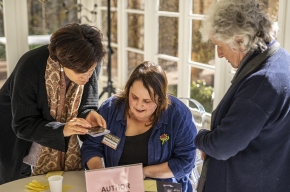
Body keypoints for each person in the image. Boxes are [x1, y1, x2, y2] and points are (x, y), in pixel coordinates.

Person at [194, 0, 290, 191]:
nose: (219, 54)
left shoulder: (262, 83)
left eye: (220, 45)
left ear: (239, 40)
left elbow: (223, 147)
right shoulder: (281, 59)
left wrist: (201, 138)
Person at [0, 23, 107, 184]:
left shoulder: (90, 59)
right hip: (20, 140)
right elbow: (22, 124)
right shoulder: (29, 66)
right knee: (23, 185)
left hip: (57, 140)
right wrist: (62, 129)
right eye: (80, 72)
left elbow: (86, 104)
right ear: (62, 61)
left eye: (91, 70)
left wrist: (89, 114)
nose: (87, 77)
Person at [81, 61, 197, 192]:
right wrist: (102, 175)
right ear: (128, 89)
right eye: (134, 97)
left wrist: (143, 172)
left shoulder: (179, 116)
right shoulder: (109, 109)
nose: (138, 105)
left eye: (147, 101)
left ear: (160, 99)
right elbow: (91, 147)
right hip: (116, 186)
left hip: (163, 186)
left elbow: (185, 162)